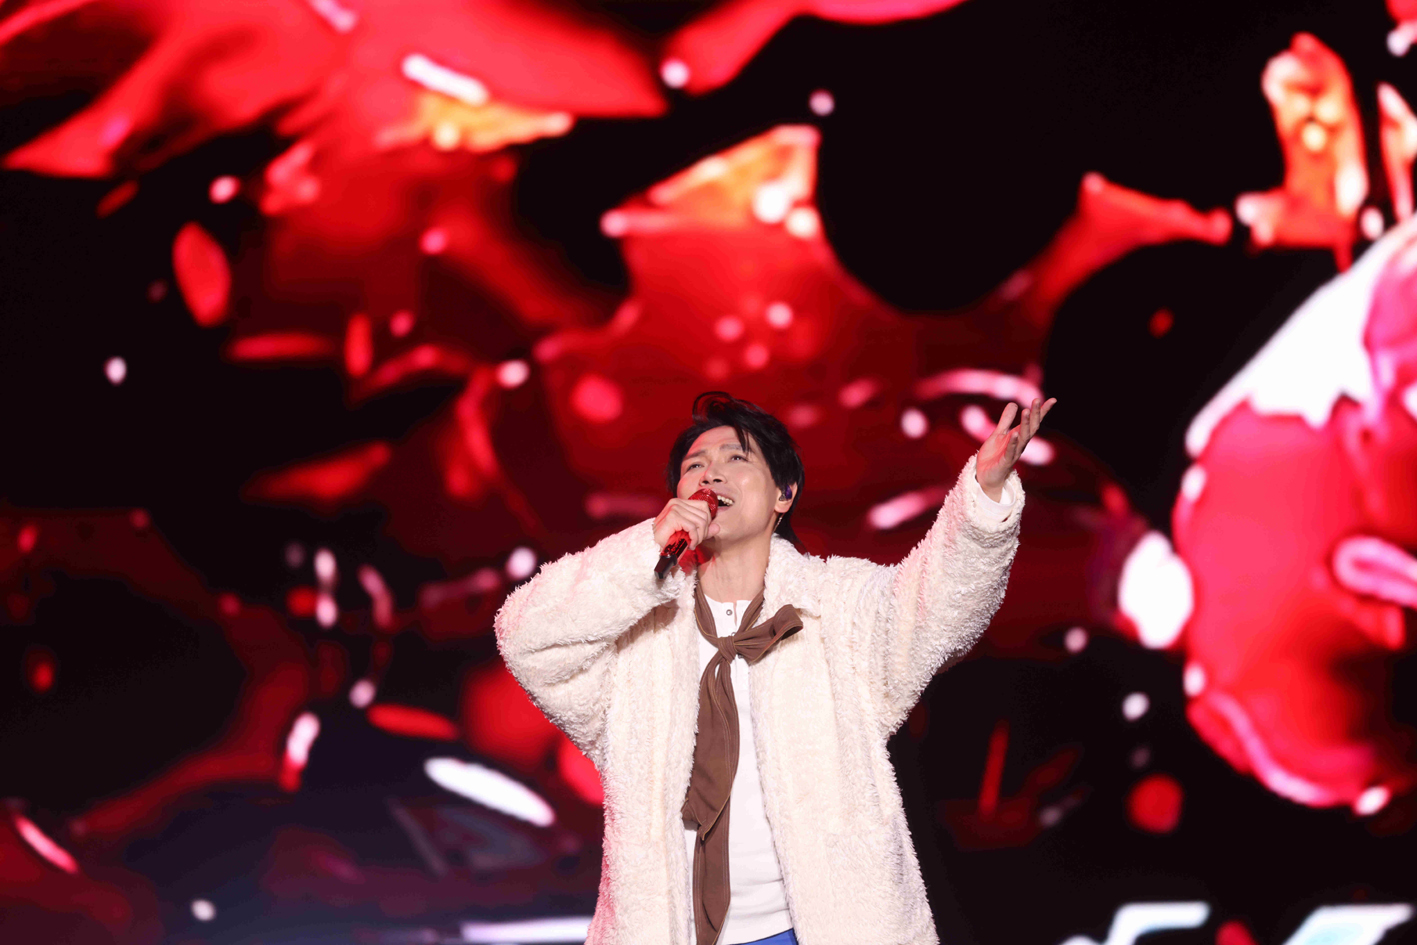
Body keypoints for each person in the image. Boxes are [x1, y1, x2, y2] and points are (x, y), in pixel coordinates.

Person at [495, 390, 1054, 945]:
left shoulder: (834, 609)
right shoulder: (637, 639)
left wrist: (983, 499)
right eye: (694, 466)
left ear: (783, 495)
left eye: (735, 458)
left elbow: (936, 606)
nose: (711, 474)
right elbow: (525, 636)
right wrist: (646, 550)